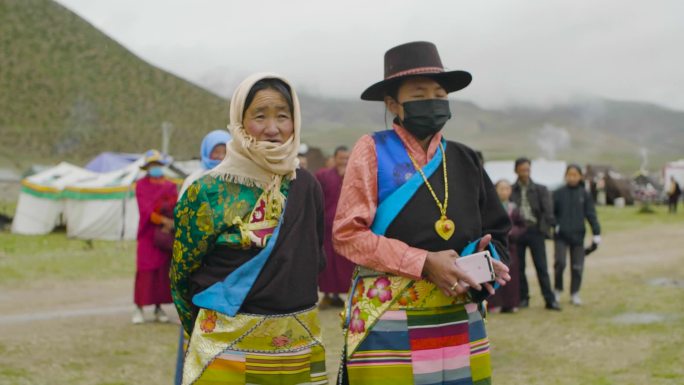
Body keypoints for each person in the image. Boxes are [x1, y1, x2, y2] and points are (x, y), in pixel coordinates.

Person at [333, 41, 511, 385]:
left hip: (460, 315)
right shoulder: (372, 150)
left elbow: (498, 232)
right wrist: (425, 262)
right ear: (393, 104)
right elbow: (347, 234)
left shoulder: (466, 158)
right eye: (419, 93)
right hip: (390, 316)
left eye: (439, 92)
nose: (432, 99)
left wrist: (484, 266)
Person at [171, 73, 328, 385]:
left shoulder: (307, 185)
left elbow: (313, 256)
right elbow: (181, 275)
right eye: (260, 116)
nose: (272, 128)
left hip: (295, 343)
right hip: (225, 345)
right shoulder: (208, 191)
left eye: (283, 116)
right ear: (240, 121)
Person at [174, 129, 231, 385]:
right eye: (215, 152)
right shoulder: (194, 181)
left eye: (224, 151)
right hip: (200, 271)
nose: (220, 157)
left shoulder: (236, 179)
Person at [133, 149, 178, 324]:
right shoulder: (141, 186)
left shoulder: (170, 185)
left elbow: (175, 204)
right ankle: (139, 307)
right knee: (145, 271)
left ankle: (159, 308)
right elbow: (144, 210)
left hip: (164, 237)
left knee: (162, 273)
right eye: (152, 165)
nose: (155, 168)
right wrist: (161, 220)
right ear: (147, 168)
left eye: (158, 165)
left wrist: (171, 223)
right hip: (148, 234)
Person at [510, 158, 560, 310]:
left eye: (527, 169)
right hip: (518, 232)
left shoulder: (540, 189)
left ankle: (549, 299)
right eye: (522, 169)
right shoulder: (511, 190)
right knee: (519, 267)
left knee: (541, 266)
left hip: (535, 231)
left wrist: (544, 229)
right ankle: (523, 298)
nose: (525, 172)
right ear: (516, 170)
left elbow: (548, 211)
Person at [553, 164, 601, 306]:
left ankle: (575, 293)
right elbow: (551, 213)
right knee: (560, 263)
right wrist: (554, 225)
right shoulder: (558, 193)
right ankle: (557, 290)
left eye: (575, 175)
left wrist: (597, 233)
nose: (572, 177)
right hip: (561, 236)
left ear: (580, 176)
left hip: (578, 236)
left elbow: (591, 215)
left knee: (577, 266)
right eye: (569, 174)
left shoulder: (584, 194)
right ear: (565, 176)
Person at [316, 145, 354, 309]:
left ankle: (345, 296)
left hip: (347, 227)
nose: (344, 161)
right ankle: (327, 295)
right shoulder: (323, 175)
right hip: (326, 226)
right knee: (327, 263)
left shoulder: (354, 177)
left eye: (347, 158)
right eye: (341, 158)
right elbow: (317, 198)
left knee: (345, 263)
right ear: (335, 157)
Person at [487, 179, 526, 313]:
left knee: (512, 275)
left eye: (507, 188)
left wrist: (513, 232)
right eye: (501, 188)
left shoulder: (514, 208)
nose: (504, 191)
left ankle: (511, 304)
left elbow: (522, 225)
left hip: (511, 246)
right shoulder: (489, 207)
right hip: (495, 246)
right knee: (494, 273)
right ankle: (494, 304)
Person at [179, 129, 231, 196]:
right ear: (207, 152)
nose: (221, 156)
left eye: (225, 152)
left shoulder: (238, 179)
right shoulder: (194, 180)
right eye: (216, 152)